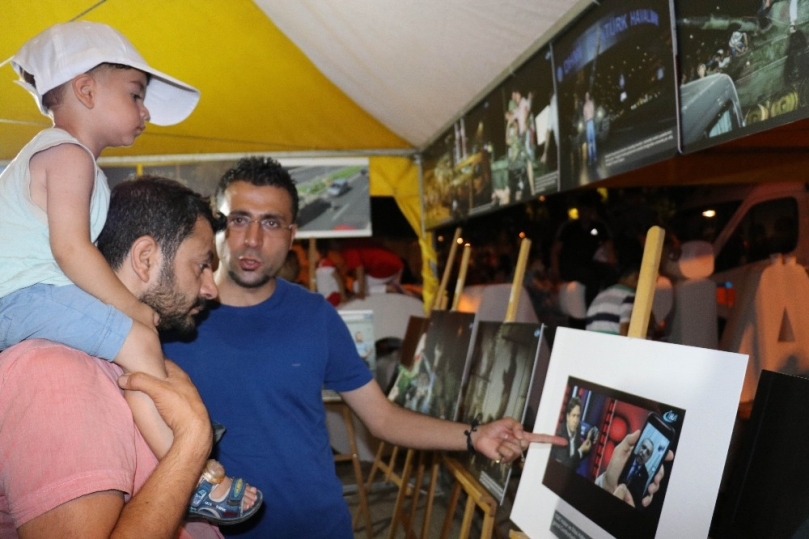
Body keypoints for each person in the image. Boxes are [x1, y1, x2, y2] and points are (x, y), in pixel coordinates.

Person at [163, 156, 565, 538]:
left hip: (317, 528)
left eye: (271, 222)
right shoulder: (174, 315)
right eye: (239, 219)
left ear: (292, 234)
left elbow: (383, 419)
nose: (252, 240)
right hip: (207, 531)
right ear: (217, 225)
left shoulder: (315, 315)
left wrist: (474, 435)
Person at [0, 22, 260, 524]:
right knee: (140, 341)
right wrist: (132, 305)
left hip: (25, 296)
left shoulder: (53, 158)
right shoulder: (69, 155)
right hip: (26, 295)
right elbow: (72, 250)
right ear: (85, 88)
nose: (145, 112)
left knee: (137, 352)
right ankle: (195, 472)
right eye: (137, 95)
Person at [0, 177, 236, 537]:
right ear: (145, 259)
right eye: (202, 265)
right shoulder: (55, 370)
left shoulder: (114, 362)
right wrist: (193, 439)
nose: (211, 289)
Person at [585, 260, 640, 336]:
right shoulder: (630, 296)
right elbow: (625, 332)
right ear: (635, 276)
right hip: (613, 346)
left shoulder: (600, 296)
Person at [550, 397, 594, 469]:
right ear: (568, 416)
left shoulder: (577, 429)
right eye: (573, 416)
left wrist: (591, 436)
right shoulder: (560, 436)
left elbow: (581, 447)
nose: (575, 420)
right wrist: (580, 451)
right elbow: (563, 467)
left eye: (578, 416)